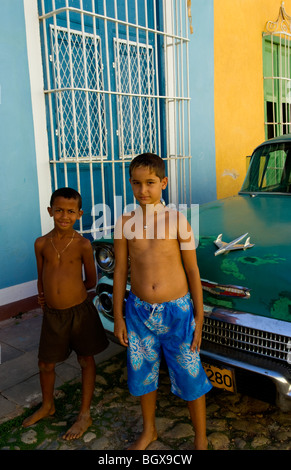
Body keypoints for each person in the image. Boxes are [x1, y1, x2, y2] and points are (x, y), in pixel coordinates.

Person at [113, 153, 212, 450]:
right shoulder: (125, 222)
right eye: (137, 183)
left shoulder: (177, 220)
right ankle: (149, 431)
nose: (143, 190)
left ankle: (201, 438)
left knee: (191, 373)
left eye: (151, 183)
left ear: (164, 183)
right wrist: (118, 316)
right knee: (144, 373)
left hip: (178, 312)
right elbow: (120, 271)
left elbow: (193, 270)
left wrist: (200, 316)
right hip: (139, 312)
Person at [23, 187, 109, 440]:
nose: (64, 216)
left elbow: (91, 281)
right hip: (53, 315)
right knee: (45, 363)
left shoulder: (83, 244)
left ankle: (84, 414)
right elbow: (41, 277)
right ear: (50, 211)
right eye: (58, 210)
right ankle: (48, 405)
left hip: (79, 313)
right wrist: (44, 296)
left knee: (86, 360)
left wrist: (71, 296)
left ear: (79, 214)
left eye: (70, 211)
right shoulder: (41, 243)